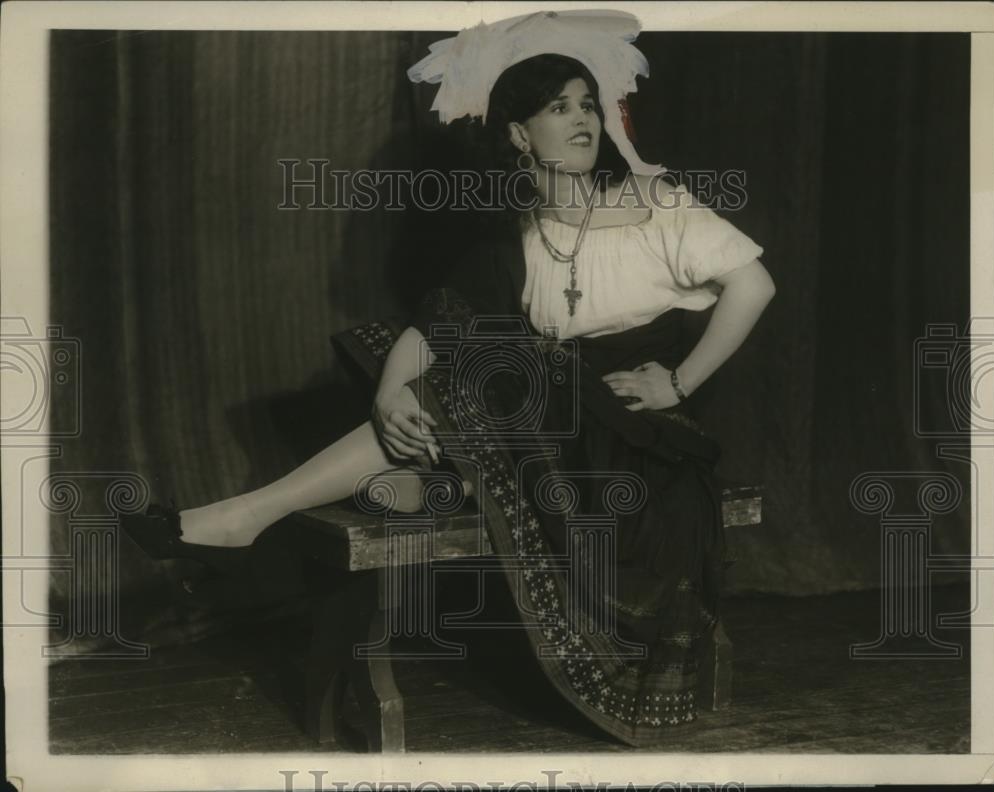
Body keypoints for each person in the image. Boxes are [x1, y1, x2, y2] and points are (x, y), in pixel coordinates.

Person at [124, 11, 775, 746]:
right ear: (520, 136)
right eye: (558, 107)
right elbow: (436, 329)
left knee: (501, 374)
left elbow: (753, 286)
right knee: (455, 361)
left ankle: (272, 515)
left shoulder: (656, 205)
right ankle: (346, 497)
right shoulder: (518, 230)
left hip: (639, 428)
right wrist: (388, 395)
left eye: (587, 103)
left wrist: (679, 383)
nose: (582, 119)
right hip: (552, 420)